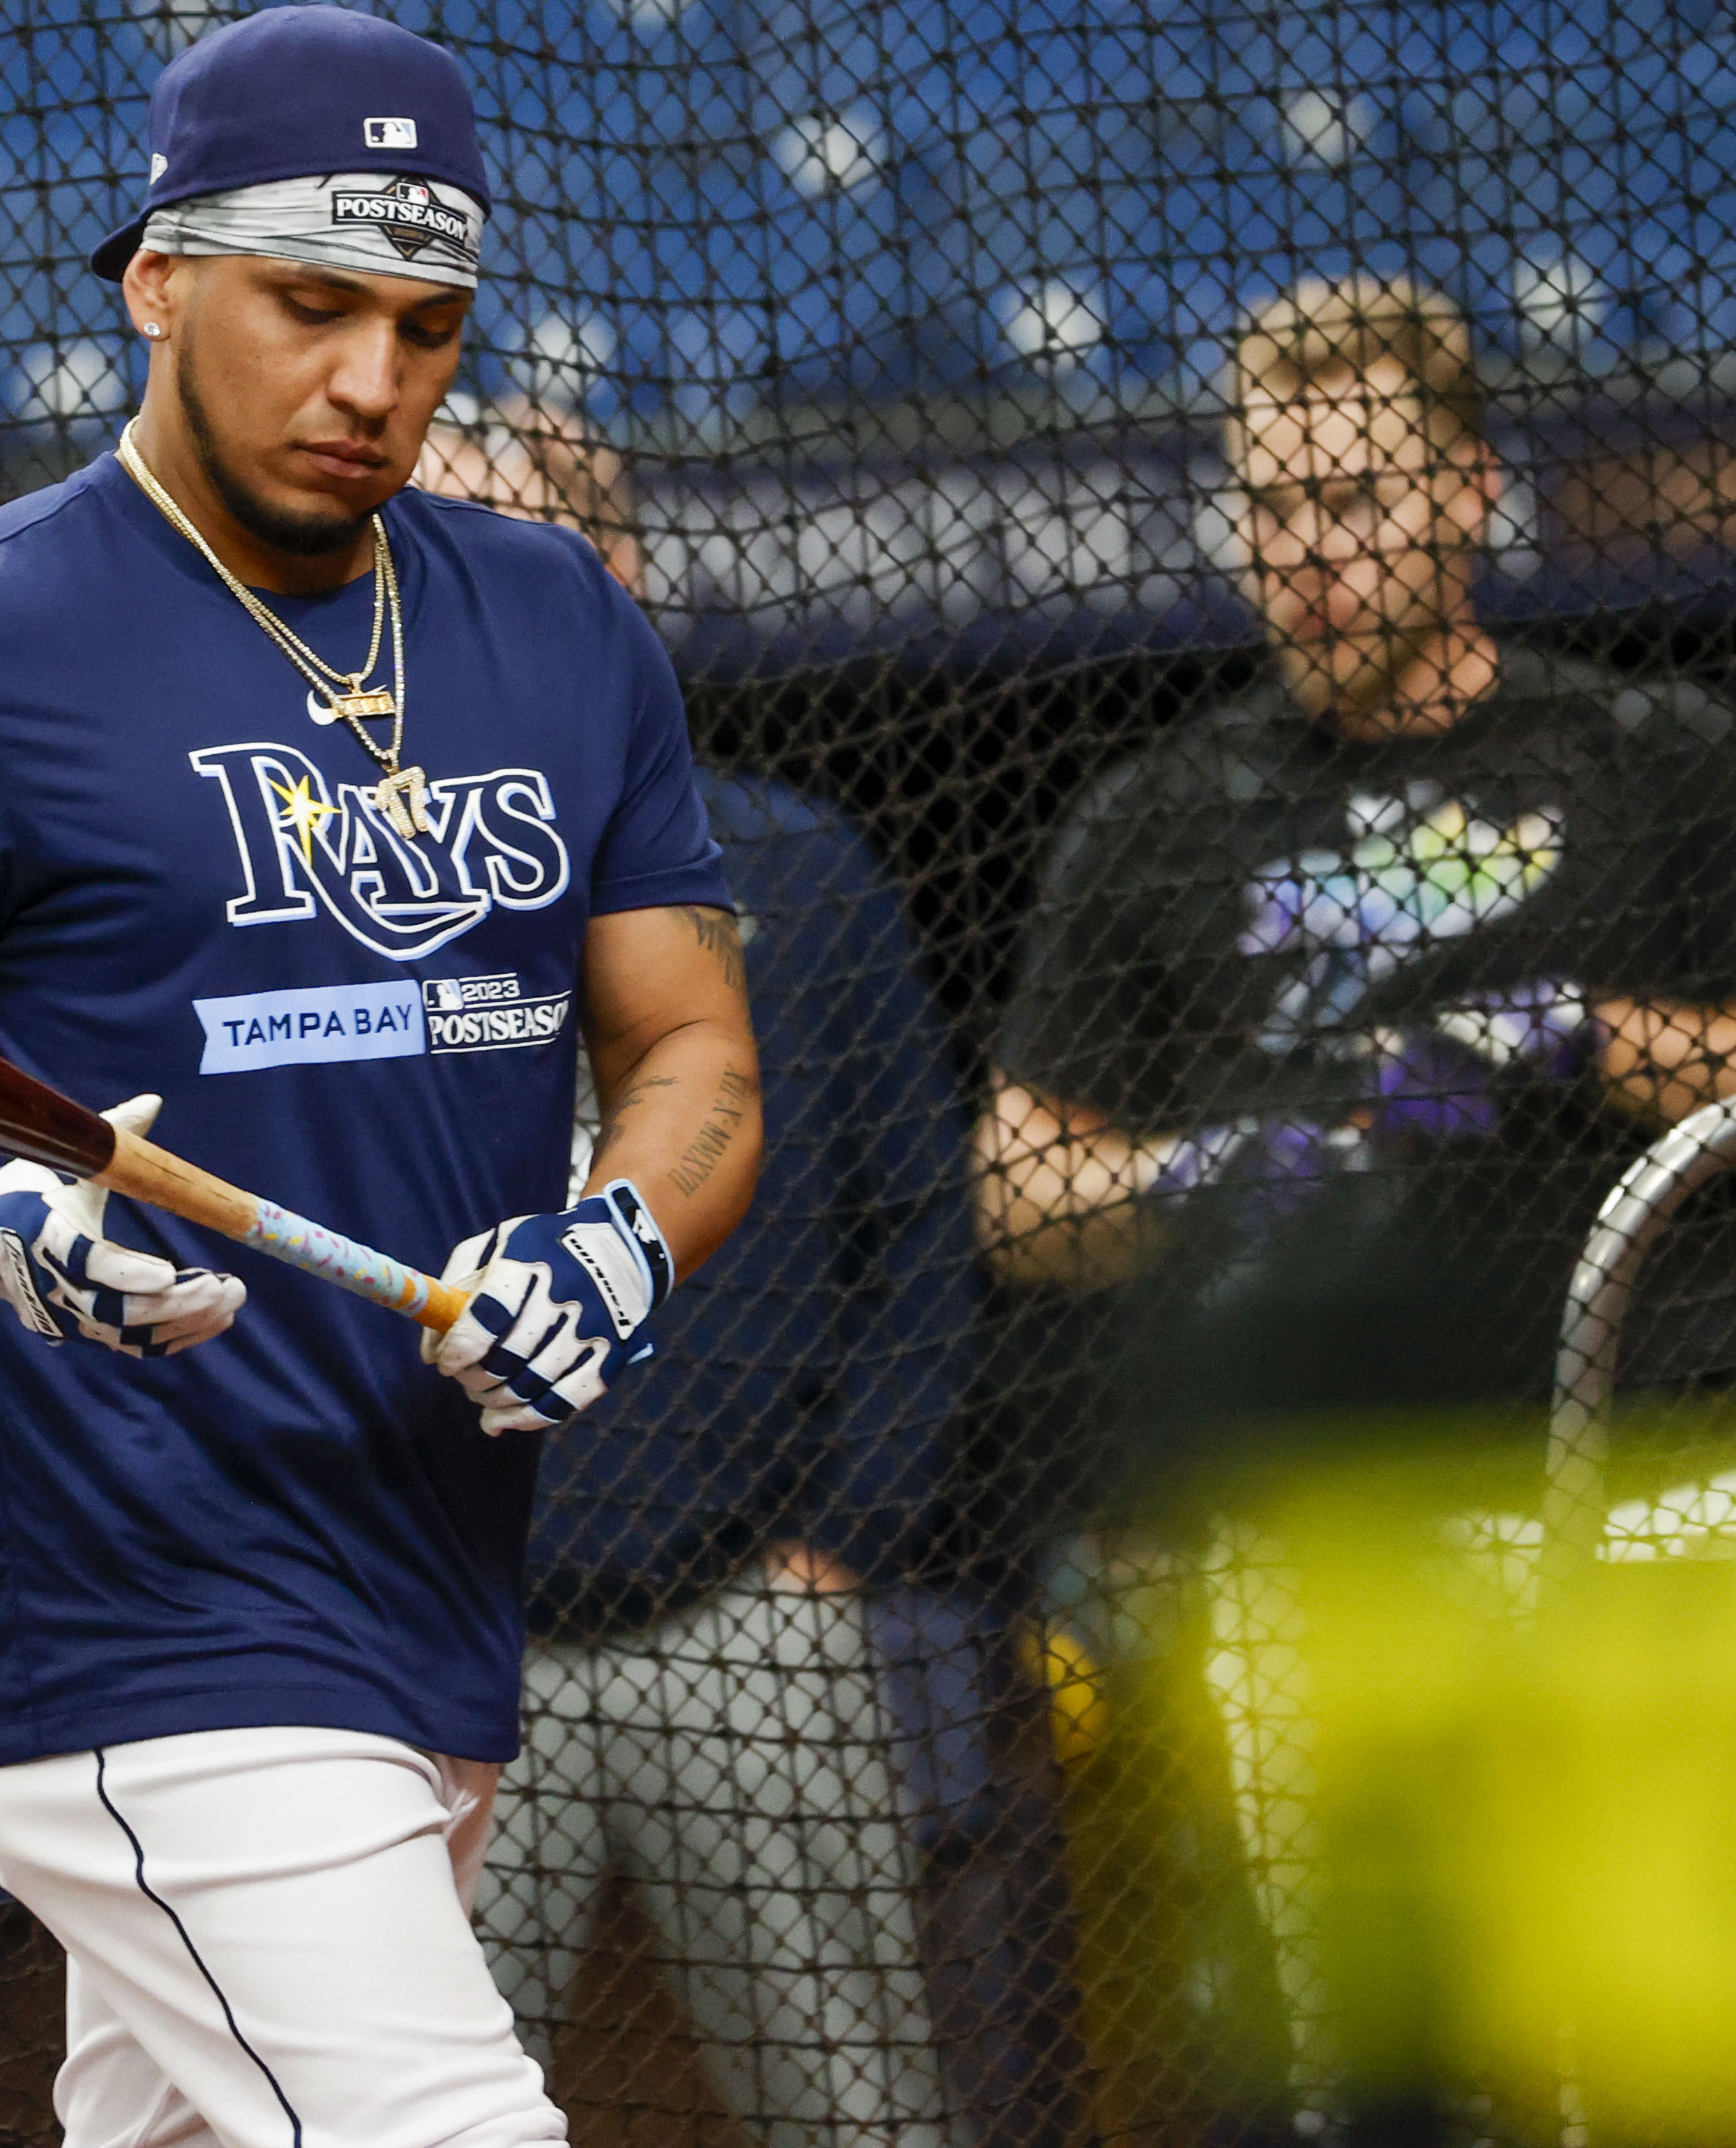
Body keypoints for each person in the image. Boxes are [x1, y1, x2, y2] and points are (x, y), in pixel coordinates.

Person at [0, 13, 761, 2148]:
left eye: (426, 324)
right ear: (160, 279)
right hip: (145, 1639)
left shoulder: (560, 623)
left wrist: (624, 1237)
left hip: (434, 1605)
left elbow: (689, 1045)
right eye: (313, 307)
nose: (374, 381)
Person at [970, 274, 1736, 2131]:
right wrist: (1207, 1170)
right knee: (1355, 2097)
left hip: (1639, 1525)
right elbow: (1017, 1193)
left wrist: (1583, 1037)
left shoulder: (1649, 756)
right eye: (1267, 514)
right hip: (1318, 1558)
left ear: (1472, 494)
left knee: (1666, 2076)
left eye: (1351, 506)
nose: (1304, 557)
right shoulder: (1163, 811)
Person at [420, 400, 1078, 2148]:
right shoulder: (334, 902)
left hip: (751, 1626)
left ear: (614, 578)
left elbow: (918, 1237)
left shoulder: (787, 867)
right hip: (452, 1644)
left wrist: (838, 1539)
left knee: (859, 2120)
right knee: (389, 2118)